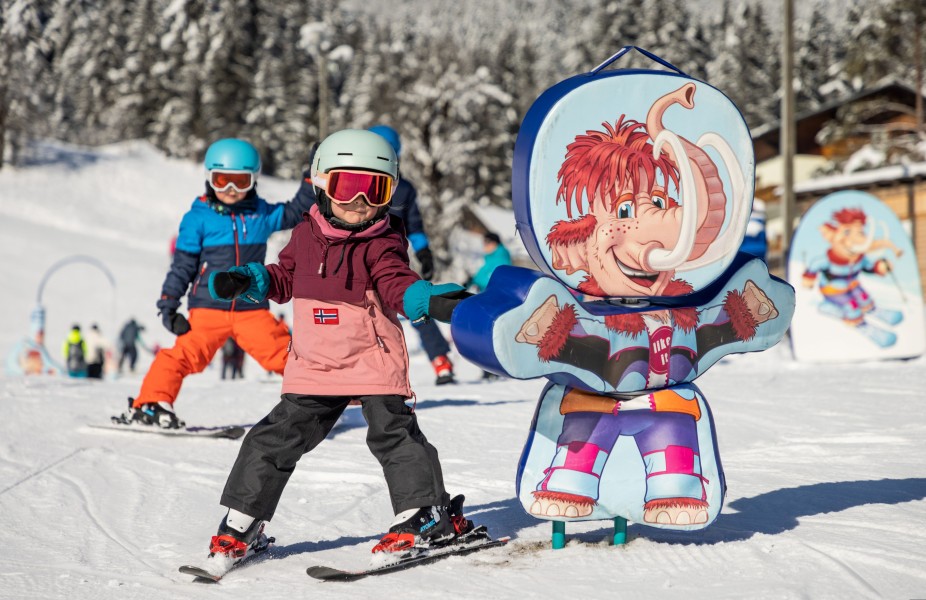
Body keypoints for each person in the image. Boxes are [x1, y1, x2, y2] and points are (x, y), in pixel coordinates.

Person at [200, 129, 475, 571]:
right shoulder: (305, 235)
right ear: (322, 184)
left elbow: (395, 281)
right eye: (349, 185)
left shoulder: (383, 241)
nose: (361, 200)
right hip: (316, 365)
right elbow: (285, 276)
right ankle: (240, 525)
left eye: (376, 188)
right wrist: (253, 280)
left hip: (372, 359)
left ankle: (424, 514)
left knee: (394, 435)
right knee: (272, 439)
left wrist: (423, 299)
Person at [112, 138, 314, 429]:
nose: (230, 191)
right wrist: (169, 305)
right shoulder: (197, 219)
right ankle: (151, 404)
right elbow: (183, 266)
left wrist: (310, 177)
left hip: (251, 308)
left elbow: (297, 211)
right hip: (208, 308)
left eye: (239, 182)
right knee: (181, 356)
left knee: (284, 353)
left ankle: (323, 396)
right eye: (222, 181)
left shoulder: (261, 214)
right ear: (209, 179)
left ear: (253, 180)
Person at [367, 125, 456, 385]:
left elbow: (414, 225)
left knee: (414, 305)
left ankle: (441, 361)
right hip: (357, 261)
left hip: (391, 262)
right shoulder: (354, 184)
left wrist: (424, 252)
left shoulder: (403, 189)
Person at [467, 231, 512, 380]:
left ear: (494, 243)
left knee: (491, 333)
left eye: (487, 243)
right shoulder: (491, 258)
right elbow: (481, 275)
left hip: (496, 301)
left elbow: (491, 278)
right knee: (488, 334)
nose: (484, 246)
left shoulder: (500, 257)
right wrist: (470, 282)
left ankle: (494, 367)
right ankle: (490, 367)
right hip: (488, 300)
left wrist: (475, 283)